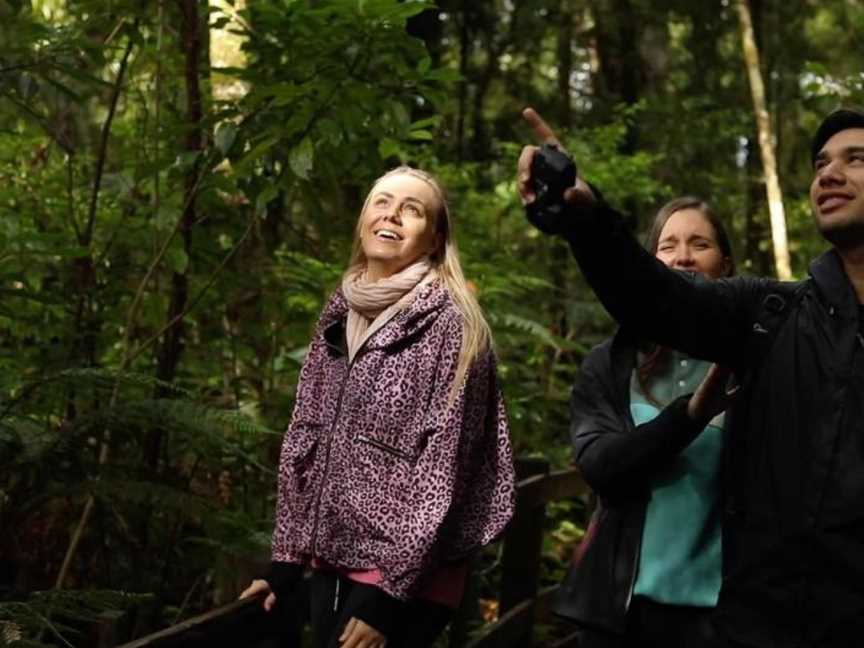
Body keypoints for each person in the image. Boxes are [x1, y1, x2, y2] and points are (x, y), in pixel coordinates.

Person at [517, 107, 864, 647]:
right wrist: (585, 217)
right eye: (821, 163)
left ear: (725, 258)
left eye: (855, 160)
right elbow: (655, 298)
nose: (829, 174)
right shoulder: (771, 318)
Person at [241, 166, 516, 648]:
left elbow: (442, 473)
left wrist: (390, 599)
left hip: (408, 579)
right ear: (363, 218)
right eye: (382, 202)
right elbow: (305, 434)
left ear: (434, 239)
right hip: (333, 559)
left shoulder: (452, 325)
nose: (392, 215)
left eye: (413, 210)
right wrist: (286, 563)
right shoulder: (339, 311)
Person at [553, 197, 736, 648]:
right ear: (648, 262)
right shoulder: (612, 364)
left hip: (721, 617)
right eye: (667, 246)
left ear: (727, 267)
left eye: (700, 244)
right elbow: (598, 465)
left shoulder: (753, 363)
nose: (683, 257)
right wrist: (688, 418)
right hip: (619, 613)